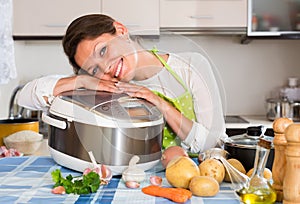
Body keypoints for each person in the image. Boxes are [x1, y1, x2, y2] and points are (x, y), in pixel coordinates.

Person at [17, 14, 227, 153]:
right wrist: (82, 80)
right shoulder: (109, 89)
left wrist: (159, 103)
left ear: (121, 30)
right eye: (94, 69)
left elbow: (213, 144)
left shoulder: (190, 66)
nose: (105, 68)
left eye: (102, 50)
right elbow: (26, 96)